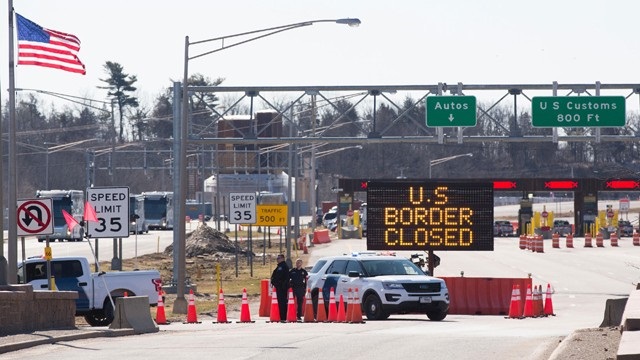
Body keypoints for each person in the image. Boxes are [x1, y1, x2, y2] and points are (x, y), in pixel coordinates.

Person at [270, 254, 290, 321]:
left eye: (279, 258)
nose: (277, 259)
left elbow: (286, 277)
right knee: (279, 302)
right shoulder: (279, 267)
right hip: (278, 288)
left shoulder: (284, 266)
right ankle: (280, 316)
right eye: (277, 258)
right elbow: (275, 275)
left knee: (282, 302)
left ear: (282, 259)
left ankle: (283, 317)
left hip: (282, 288)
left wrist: (283, 286)